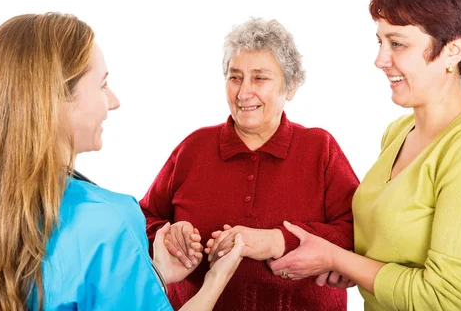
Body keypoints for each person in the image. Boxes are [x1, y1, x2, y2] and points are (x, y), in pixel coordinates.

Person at [267, 0, 461, 311]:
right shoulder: (398, 133)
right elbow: (390, 250)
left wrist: (340, 260)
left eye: (397, 44)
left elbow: (447, 300)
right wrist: (349, 265)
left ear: (453, 51)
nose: (380, 59)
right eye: (380, 42)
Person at [0, 12, 245, 311]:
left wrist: (150, 275)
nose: (113, 101)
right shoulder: (107, 219)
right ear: (56, 99)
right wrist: (217, 277)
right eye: (102, 84)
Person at [139, 18, 359, 310]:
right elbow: (142, 221)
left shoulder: (320, 148)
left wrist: (277, 241)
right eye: (235, 77)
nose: (243, 93)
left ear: (290, 86)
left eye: (259, 78)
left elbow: (356, 232)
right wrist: (169, 236)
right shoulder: (194, 148)